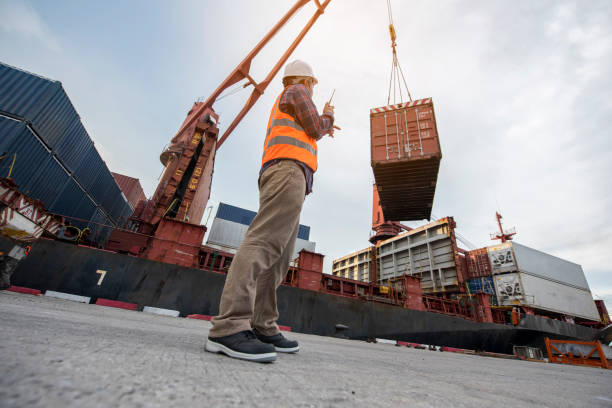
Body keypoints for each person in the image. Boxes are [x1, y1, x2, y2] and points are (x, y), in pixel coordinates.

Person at [205, 60, 335, 362]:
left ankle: (262, 325)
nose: (314, 89)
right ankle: (229, 327)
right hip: (287, 172)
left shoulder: (293, 96)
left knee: (279, 258)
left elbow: (310, 130)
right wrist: (328, 116)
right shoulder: (297, 89)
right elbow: (316, 128)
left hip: (294, 177)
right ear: (307, 80)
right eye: (313, 83)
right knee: (263, 244)